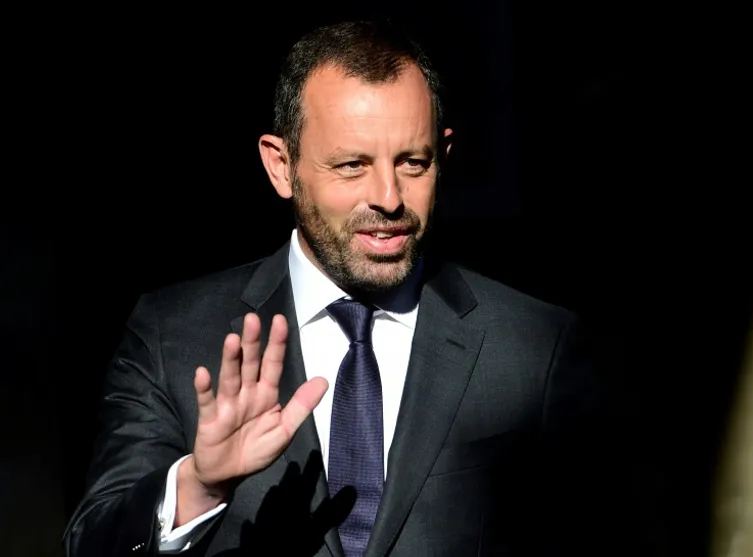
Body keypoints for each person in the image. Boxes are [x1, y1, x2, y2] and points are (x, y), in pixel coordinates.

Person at [63, 20, 632, 557]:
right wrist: (198, 487)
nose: (388, 197)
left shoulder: (533, 347)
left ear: (444, 156)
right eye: (352, 165)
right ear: (281, 166)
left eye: (413, 162)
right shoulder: (172, 337)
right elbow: (91, 542)